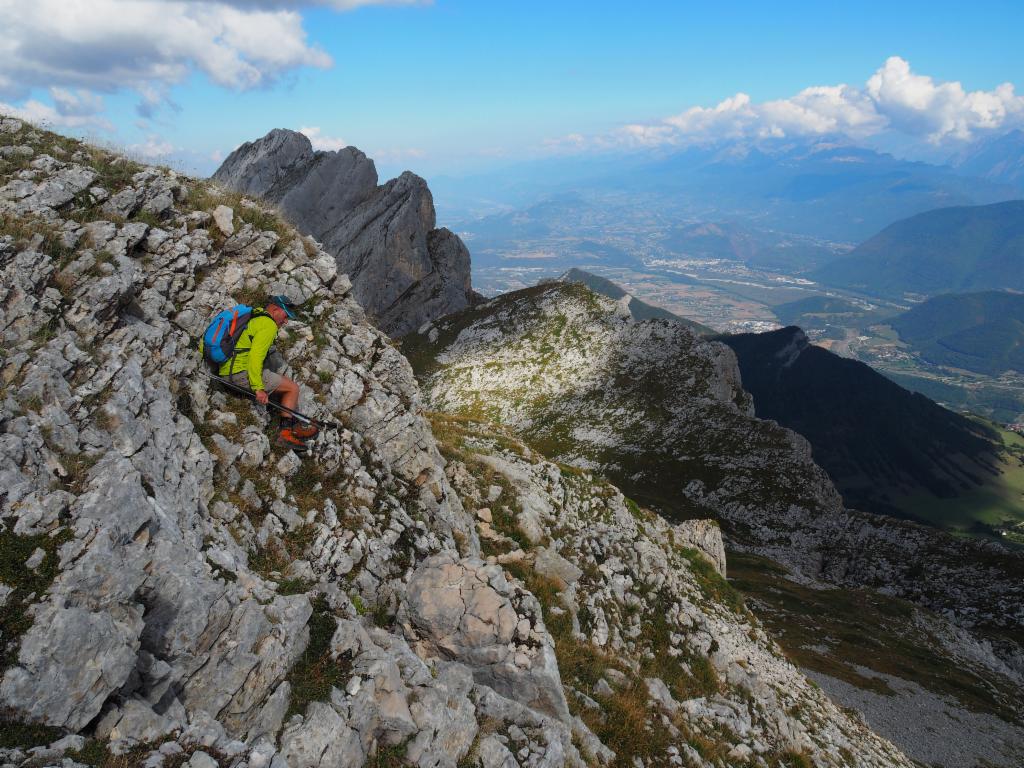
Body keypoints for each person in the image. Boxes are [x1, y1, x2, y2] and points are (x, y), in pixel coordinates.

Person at [220, 295, 318, 450]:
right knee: (293, 388)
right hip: (238, 373)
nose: (286, 321)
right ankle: (285, 434)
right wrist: (258, 388)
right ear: (275, 309)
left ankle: (294, 423)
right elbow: (255, 357)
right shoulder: (269, 325)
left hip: (228, 369)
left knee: (282, 382)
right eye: (286, 316)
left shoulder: (257, 316)